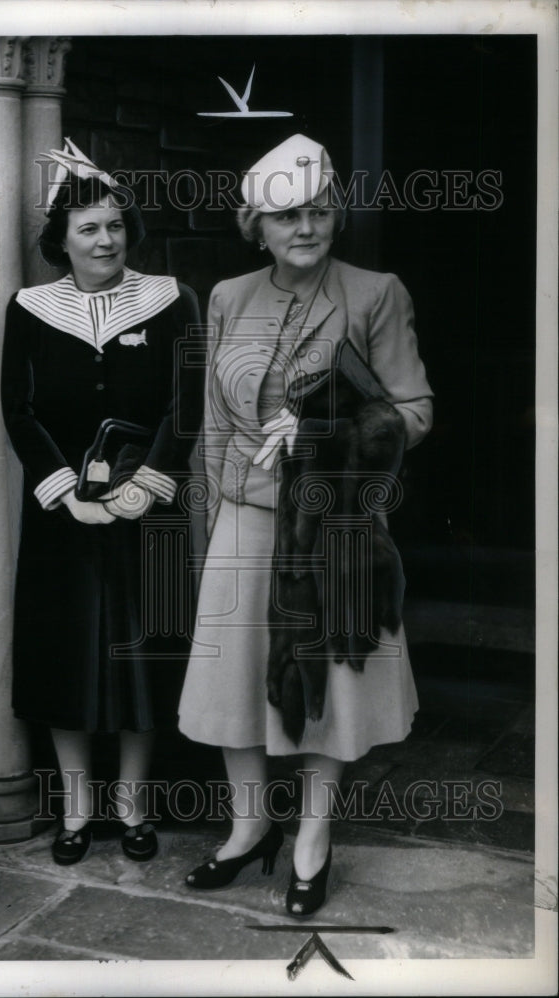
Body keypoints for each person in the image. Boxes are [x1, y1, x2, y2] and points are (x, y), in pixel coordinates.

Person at [178, 134, 433, 915]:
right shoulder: (225, 297)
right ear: (255, 225)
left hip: (331, 528)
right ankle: (247, 829)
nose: (306, 227)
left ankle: (312, 842)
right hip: (243, 520)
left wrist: (324, 432)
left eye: (318, 211)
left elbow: (414, 410)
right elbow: (213, 427)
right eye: (286, 215)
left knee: (334, 689)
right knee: (232, 685)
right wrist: (206, 523)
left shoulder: (373, 292)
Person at [1, 140, 201, 866]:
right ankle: (77, 806)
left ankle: (134, 802)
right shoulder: (29, 309)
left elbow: (187, 405)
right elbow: (19, 411)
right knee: (66, 654)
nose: (104, 239)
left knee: (145, 650)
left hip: (149, 508)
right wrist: (67, 498)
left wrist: (147, 483)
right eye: (87, 228)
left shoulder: (171, 299)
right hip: (62, 517)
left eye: (115, 225)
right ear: (61, 239)